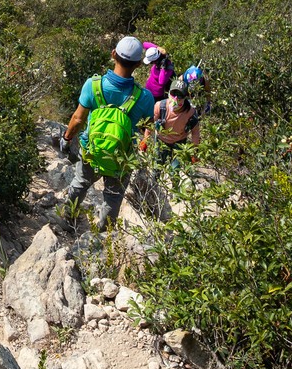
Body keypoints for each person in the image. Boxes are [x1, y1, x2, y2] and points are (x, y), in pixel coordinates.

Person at [60, 35, 155, 229]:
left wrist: (67, 138)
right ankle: (104, 232)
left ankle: (69, 219)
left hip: (91, 150)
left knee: (81, 183)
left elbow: (78, 119)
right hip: (122, 157)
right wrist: (143, 149)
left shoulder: (93, 85)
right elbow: (149, 130)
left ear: (113, 54)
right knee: (113, 196)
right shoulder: (144, 97)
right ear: (138, 64)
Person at [147, 79, 201, 159]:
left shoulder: (190, 112)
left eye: (180, 95)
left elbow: (195, 132)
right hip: (161, 140)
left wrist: (194, 153)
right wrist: (145, 141)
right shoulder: (160, 106)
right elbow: (150, 125)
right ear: (168, 93)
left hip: (179, 143)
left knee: (175, 169)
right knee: (157, 166)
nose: (176, 98)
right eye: (174, 94)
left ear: (185, 97)